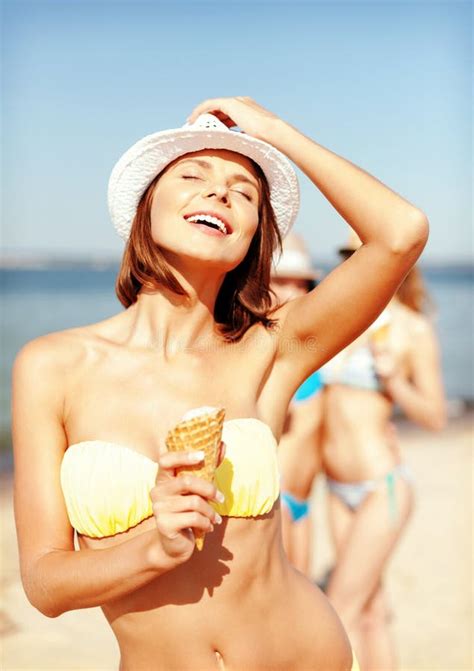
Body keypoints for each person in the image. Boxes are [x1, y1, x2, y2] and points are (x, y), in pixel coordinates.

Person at [11, 96, 428, 671]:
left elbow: (401, 233)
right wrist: (153, 547)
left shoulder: (272, 349)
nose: (220, 192)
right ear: (145, 206)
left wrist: (274, 131)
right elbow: (44, 583)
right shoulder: (51, 365)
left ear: (254, 237)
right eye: (192, 174)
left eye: (246, 190)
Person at [320, 230, 446, 671]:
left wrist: (395, 382)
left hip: (382, 487)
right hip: (335, 487)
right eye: (353, 257)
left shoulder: (411, 329)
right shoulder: (339, 318)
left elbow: (435, 416)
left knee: (339, 610)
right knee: (370, 611)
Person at [271, 232, 324, 577]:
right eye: (281, 281)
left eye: (300, 283)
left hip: (304, 500)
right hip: (275, 503)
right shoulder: (255, 348)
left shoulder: (312, 345)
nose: (292, 292)